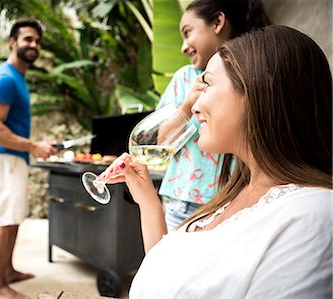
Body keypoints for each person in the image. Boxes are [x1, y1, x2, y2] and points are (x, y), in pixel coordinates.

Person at [101, 25, 332, 298]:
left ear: (259, 88)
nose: (195, 105)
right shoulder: (231, 196)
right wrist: (147, 202)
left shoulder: (311, 216)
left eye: (206, 85)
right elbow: (168, 279)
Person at [157, 0, 272, 231]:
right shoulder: (184, 79)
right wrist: (188, 104)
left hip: (238, 202)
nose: (183, 46)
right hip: (183, 203)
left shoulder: (258, 76)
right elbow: (161, 144)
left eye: (188, 33)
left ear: (218, 22)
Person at [0, 19, 58, 299]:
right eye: (27, 39)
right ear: (12, 42)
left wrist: (32, 146)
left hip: (12, 158)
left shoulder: (16, 77)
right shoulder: (5, 78)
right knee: (5, 220)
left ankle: (8, 270)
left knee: (13, 219)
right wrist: (33, 146)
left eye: (37, 40)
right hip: (3, 159)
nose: (33, 45)